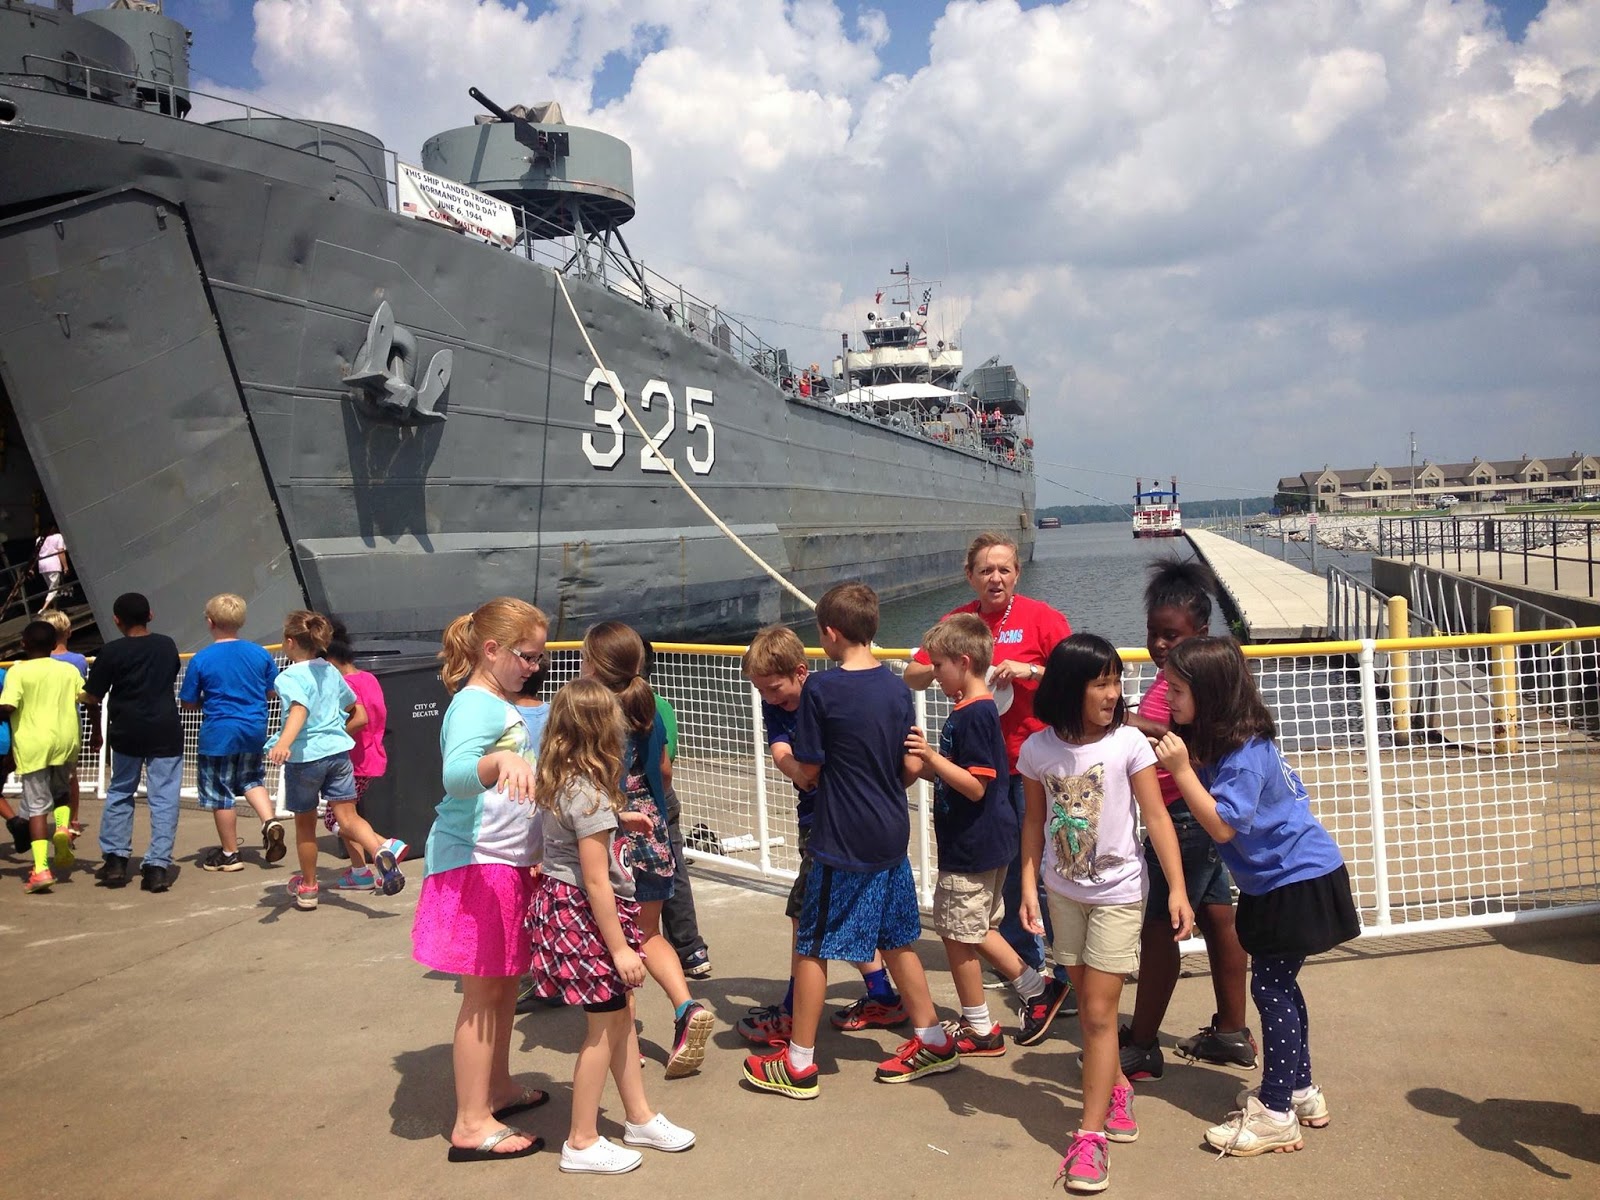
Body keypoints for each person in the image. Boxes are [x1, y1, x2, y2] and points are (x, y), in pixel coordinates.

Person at [742, 582, 958, 1099]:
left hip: (841, 837)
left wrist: (791, 765)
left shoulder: (822, 690)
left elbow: (811, 769)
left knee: (812, 944)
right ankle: (932, 1039)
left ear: (831, 633)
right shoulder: (896, 689)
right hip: (890, 829)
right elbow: (910, 764)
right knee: (896, 938)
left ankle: (799, 1062)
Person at [1152, 636, 1360, 1158]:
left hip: (1295, 880)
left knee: (1269, 989)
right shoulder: (1232, 741)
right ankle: (1299, 1091)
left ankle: (1275, 1113)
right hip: (1284, 879)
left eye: (1177, 690)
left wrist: (1181, 771)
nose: (1168, 698)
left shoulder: (1243, 756)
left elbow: (1224, 826)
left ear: (1210, 695)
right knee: (1280, 985)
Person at [1018, 633, 1193, 1193]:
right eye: (1101, 684)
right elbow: (1033, 822)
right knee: (1083, 994)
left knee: (1096, 1014)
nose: (1114, 694)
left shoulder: (1128, 744)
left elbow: (1157, 818)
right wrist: (1027, 886)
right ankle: (1116, 1084)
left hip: (1119, 894)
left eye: (1116, 682)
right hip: (1062, 893)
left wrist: (1177, 890)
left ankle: (1089, 1138)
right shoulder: (1037, 750)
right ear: (1070, 688)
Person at [527, 678, 697, 1174]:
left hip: (569, 910)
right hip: (587, 917)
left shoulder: (567, 780)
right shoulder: (591, 795)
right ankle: (581, 1140)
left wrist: (620, 818)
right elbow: (597, 880)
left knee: (620, 1016)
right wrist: (621, 948)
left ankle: (639, 1116)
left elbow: (574, 832)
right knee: (603, 1027)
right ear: (602, 732)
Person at [903, 531, 1074, 1023]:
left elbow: (1075, 676)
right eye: (985, 570)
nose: (995, 578)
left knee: (1048, 870)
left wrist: (1028, 671)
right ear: (970, 575)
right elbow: (914, 673)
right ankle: (1028, 972)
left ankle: (1067, 972)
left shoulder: (1042, 618)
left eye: (1003, 569)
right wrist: (943, 669)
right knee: (1006, 872)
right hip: (987, 770)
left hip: (1034, 764)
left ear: (1016, 573)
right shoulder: (958, 623)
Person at [411, 597, 549, 1163]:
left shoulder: (496, 702)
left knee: (501, 986)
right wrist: (498, 763)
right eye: (526, 656)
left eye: (538, 658)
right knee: (483, 993)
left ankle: (497, 1088)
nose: (534, 668)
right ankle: (471, 1122)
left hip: (502, 860)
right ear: (491, 650)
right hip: (476, 862)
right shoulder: (475, 704)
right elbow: (455, 776)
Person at [735, 624, 905, 1048]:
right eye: (762, 692)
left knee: (807, 915)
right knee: (844, 912)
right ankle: (883, 996)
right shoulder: (777, 705)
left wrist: (808, 771)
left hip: (833, 824)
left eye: (775, 689)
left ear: (800, 672)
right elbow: (781, 749)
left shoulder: (823, 695)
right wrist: (799, 772)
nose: (769, 699)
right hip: (815, 816)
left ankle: (795, 1012)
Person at [1121, 560, 1254, 1080]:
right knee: (1219, 916)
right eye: (1152, 633)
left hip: (1185, 818)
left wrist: (1124, 719)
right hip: (1188, 814)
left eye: (1171, 635)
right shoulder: (1171, 678)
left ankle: (1142, 1044)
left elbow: (1189, 742)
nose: (1158, 644)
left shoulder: (1202, 682)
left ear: (1200, 632)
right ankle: (1232, 1031)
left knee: (1160, 927)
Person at [582, 621, 714, 1078]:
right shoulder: (651, 706)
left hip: (612, 834)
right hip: (654, 832)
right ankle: (686, 1007)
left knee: (613, 940)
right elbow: (664, 771)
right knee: (649, 934)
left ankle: (626, 1041)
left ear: (593, 664)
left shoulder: (593, 711)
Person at [266, 610, 405, 910]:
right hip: (339, 755)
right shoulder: (330, 671)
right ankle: (379, 850)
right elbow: (353, 707)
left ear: (290, 642)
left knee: (305, 826)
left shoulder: (288, 677)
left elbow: (299, 709)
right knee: (348, 817)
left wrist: (283, 743)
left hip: (306, 758)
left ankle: (308, 887)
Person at [81, 592, 183, 892]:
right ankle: (157, 866)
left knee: (121, 791)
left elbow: (93, 695)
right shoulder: (166, 645)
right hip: (164, 728)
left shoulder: (111, 652)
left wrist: (94, 728)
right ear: (150, 615)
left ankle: (115, 859)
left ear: (117, 620)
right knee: (164, 797)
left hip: (126, 729)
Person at [179, 594, 286, 873]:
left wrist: (206, 702)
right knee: (252, 779)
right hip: (254, 728)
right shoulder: (259, 653)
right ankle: (269, 821)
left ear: (210, 622)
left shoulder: (202, 658)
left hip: (219, 733)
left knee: (220, 793)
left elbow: (188, 701)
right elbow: (272, 690)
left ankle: (229, 853)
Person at [0, 621, 86, 892]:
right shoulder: (68, 670)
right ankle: (62, 828)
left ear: (23, 644)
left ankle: (40, 868)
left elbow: (8, 705)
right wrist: (96, 729)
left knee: (36, 806)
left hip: (33, 744)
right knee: (61, 792)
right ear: (54, 644)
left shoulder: (17, 671)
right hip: (66, 740)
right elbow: (86, 698)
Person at [644, 640, 711, 981]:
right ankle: (690, 949)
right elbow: (669, 758)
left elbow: (662, 765)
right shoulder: (662, 705)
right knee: (674, 869)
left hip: (643, 799)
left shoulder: (632, 707)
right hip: (664, 796)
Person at [324, 620, 388, 890]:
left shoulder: (344, 684)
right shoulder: (368, 678)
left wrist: (330, 737)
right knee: (347, 817)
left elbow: (359, 720)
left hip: (354, 761)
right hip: (370, 757)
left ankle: (384, 846)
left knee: (337, 819)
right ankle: (360, 870)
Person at [41, 608, 88, 839]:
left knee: (41, 776)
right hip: (69, 722)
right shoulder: (78, 661)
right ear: (68, 632)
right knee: (70, 775)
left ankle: (41, 821)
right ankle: (72, 820)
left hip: (41, 722)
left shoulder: (39, 660)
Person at [33, 524, 67, 613]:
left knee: (51, 588)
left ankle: (55, 608)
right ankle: (44, 609)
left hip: (43, 565)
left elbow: (37, 554)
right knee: (54, 588)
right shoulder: (58, 536)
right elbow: (61, 552)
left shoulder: (39, 539)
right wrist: (65, 566)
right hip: (53, 564)